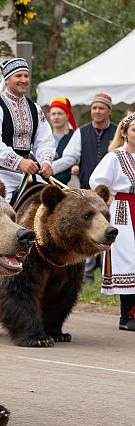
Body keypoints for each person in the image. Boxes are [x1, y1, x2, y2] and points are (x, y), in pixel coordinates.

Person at [52, 92, 117, 282]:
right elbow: (70, 157)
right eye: (94, 108)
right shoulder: (81, 132)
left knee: (109, 231)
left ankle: (110, 274)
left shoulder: (116, 132)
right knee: (88, 231)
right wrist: (47, 168)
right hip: (87, 194)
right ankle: (86, 275)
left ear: (108, 111)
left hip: (112, 193)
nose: (97, 111)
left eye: (101, 108)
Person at [0, 58, 55, 202]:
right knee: (1, 213)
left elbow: (44, 140)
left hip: (28, 173)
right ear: (7, 80)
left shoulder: (34, 108)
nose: (23, 80)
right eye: (18, 76)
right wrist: (19, 162)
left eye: (26, 76)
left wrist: (46, 161)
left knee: (55, 202)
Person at [90, 112, 135, 331]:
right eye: (134, 129)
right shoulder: (115, 157)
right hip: (123, 212)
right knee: (127, 259)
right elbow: (97, 183)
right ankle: (127, 315)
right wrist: (108, 206)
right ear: (125, 133)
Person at [48, 97, 77, 185]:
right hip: (44, 183)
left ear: (67, 115)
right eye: (53, 114)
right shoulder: (44, 137)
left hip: (68, 185)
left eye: (60, 113)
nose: (56, 117)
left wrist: (77, 167)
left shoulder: (75, 136)